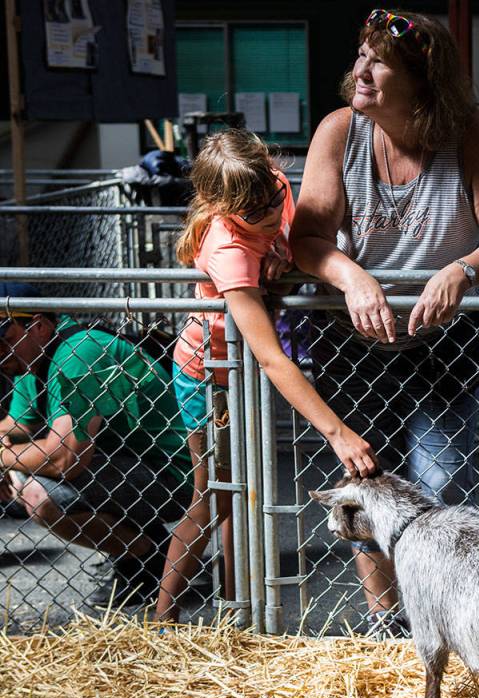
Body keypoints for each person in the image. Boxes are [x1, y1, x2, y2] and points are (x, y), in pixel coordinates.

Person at [290, 9, 479, 636]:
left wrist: (462, 272)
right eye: (360, 56)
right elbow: (308, 238)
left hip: (441, 340)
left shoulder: (470, 132)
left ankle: (442, 616)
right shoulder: (340, 132)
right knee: (366, 482)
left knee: (439, 479)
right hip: (356, 340)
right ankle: (386, 618)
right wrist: (351, 277)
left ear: (423, 80)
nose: (360, 72)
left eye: (379, 62)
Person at [165, 129, 378, 622]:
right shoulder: (229, 250)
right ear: (220, 206)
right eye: (250, 214)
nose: (266, 216)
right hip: (210, 372)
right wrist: (338, 433)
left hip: (239, 368)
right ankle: (162, 618)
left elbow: (296, 243)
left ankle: (240, 616)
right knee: (214, 497)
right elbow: (272, 357)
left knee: (242, 494)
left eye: (270, 201)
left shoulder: (276, 185)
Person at [0, 282, 192, 607]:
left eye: (3, 339)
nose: (0, 352)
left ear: (39, 326)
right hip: (127, 464)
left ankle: (148, 556)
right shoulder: (29, 358)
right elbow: (18, 425)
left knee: (36, 493)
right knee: (23, 468)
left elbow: (65, 458)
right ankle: (138, 545)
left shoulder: (79, 352)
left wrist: (4, 457)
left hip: (173, 476)